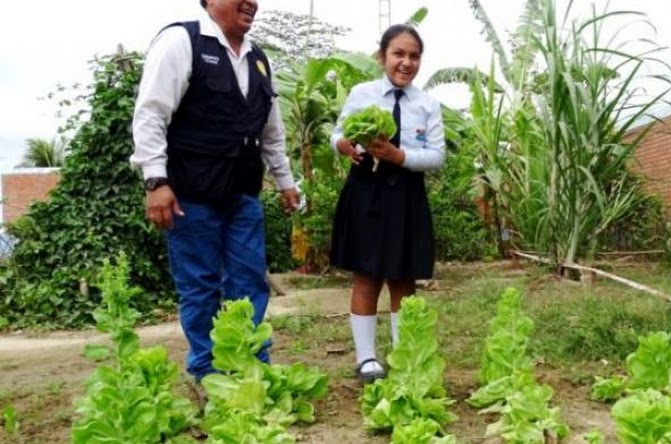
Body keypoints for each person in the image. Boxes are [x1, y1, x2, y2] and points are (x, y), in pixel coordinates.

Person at [130, 0, 298, 383]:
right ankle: (207, 374)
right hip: (191, 195)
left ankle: (251, 365)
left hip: (243, 195)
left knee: (249, 281)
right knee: (200, 286)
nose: (252, 3)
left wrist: (285, 181)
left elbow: (270, 131)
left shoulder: (258, 59)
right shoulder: (181, 41)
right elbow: (151, 113)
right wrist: (156, 181)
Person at [329, 24, 446, 382]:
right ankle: (367, 360)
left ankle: (402, 355)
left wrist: (399, 156)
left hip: (406, 194)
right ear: (383, 57)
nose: (406, 62)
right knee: (367, 275)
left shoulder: (427, 105)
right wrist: (344, 145)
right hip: (366, 190)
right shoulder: (362, 94)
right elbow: (338, 133)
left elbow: (437, 156)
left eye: (413, 56)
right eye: (398, 54)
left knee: (402, 278)